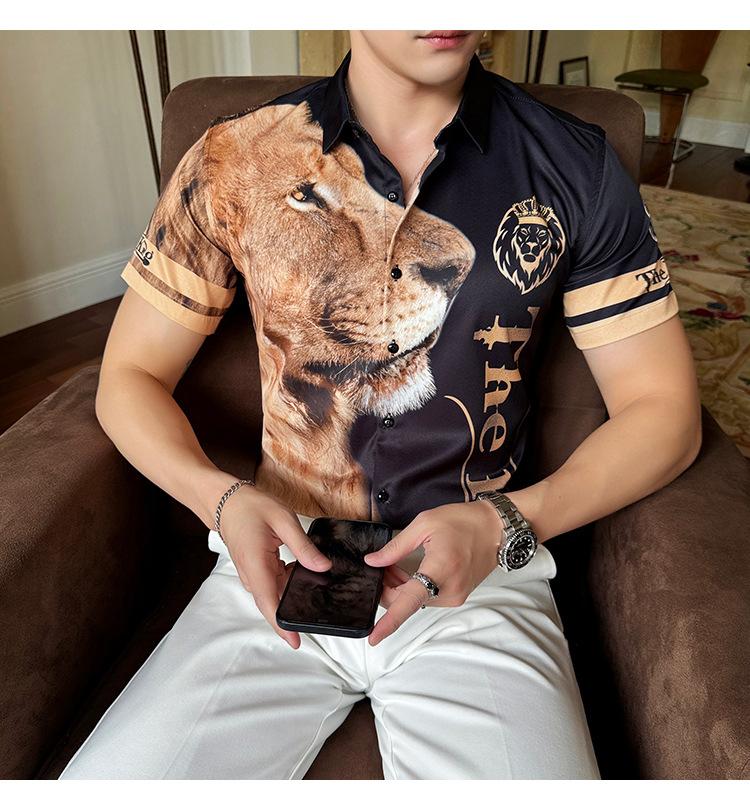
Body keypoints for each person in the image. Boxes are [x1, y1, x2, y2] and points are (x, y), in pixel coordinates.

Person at [58, 30, 701, 780]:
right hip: (278, 559)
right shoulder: (231, 155)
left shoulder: (576, 164)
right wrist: (220, 500)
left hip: (479, 570)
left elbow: (664, 409)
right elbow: (130, 373)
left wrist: (511, 523)